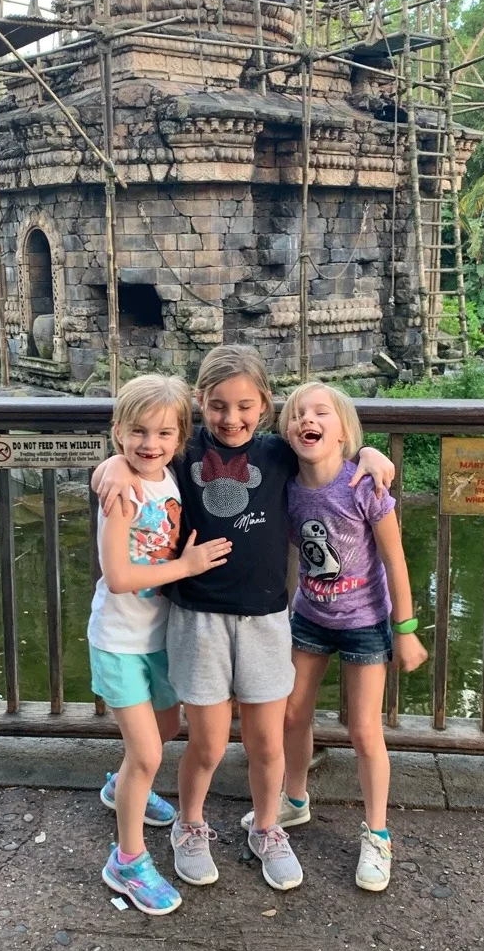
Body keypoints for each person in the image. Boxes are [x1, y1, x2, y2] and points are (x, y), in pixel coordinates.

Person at [93, 347, 395, 893]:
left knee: (267, 743)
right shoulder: (181, 452)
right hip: (197, 619)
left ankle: (267, 828)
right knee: (206, 745)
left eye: (244, 406)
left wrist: (371, 452)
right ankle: (190, 825)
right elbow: (136, 456)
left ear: (265, 407)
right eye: (217, 406)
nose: (231, 418)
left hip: (265, 620)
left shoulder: (280, 453)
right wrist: (110, 463)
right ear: (199, 405)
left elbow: (335, 454)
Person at [241, 381, 428, 892]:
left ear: (343, 430)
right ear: (287, 432)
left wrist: (405, 630)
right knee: (293, 713)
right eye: (297, 414)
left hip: (366, 622)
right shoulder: (286, 489)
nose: (307, 419)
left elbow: (395, 560)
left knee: (365, 730)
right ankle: (295, 800)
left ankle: (378, 833)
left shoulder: (364, 487)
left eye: (320, 412)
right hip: (310, 617)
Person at [90, 374, 232, 915]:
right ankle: (127, 860)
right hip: (120, 639)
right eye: (137, 432)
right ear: (119, 431)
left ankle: (120, 786)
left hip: (162, 636)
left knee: (167, 728)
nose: (150, 443)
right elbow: (120, 575)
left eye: (163, 434)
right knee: (148, 752)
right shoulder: (122, 491)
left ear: (180, 438)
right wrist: (187, 565)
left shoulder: (172, 476)